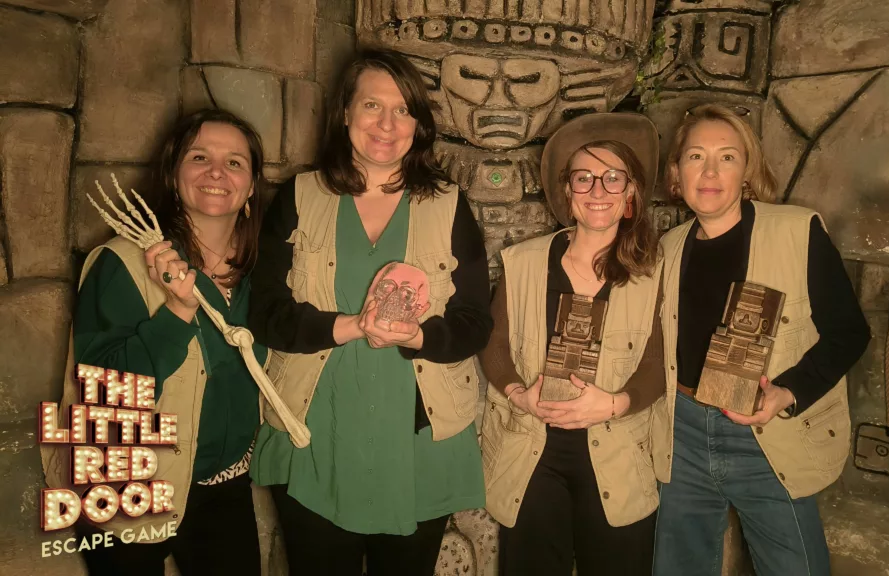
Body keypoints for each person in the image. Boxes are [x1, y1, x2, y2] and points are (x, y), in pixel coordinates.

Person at [246, 48, 493, 576]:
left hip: (418, 443)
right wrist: (350, 326)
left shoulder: (448, 204)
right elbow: (264, 313)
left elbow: (475, 321)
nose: (387, 124)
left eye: (403, 110)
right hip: (315, 433)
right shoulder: (300, 196)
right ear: (345, 113)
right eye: (372, 105)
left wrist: (419, 336)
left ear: (418, 124)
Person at [41, 108, 268, 575]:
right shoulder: (123, 262)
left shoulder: (257, 274)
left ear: (250, 188)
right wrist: (178, 312)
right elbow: (101, 393)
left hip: (222, 483)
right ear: (173, 175)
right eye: (199, 157)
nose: (216, 172)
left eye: (234, 162)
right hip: (131, 483)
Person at [652, 103, 871, 576]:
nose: (710, 172)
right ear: (676, 173)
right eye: (696, 156)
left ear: (747, 171)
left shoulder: (797, 231)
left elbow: (849, 332)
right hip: (682, 434)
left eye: (727, 157)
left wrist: (786, 393)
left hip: (766, 436)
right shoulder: (667, 249)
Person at [480, 112, 667, 576]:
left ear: (630, 193)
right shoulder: (523, 263)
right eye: (584, 178)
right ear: (568, 191)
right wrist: (519, 394)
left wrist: (617, 403)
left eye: (612, 178)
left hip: (618, 453)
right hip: (532, 450)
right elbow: (494, 344)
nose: (597, 190)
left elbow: (660, 360)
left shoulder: (656, 271)